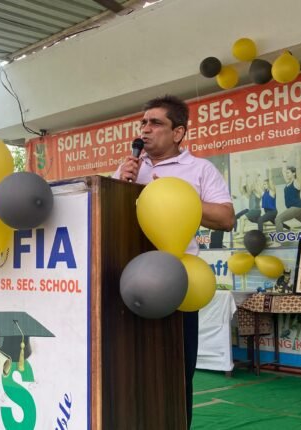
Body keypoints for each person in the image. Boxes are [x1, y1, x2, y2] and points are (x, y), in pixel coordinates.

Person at [112, 95, 234, 429]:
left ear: (178, 132)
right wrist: (119, 184)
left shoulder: (199, 169)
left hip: (177, 284)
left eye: (155, 123)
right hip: (127, 280)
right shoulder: (129, 169)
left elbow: (226, 218)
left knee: (176, 371)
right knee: (127, 370)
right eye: (143, 123)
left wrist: (178, 197)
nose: (145, 129)